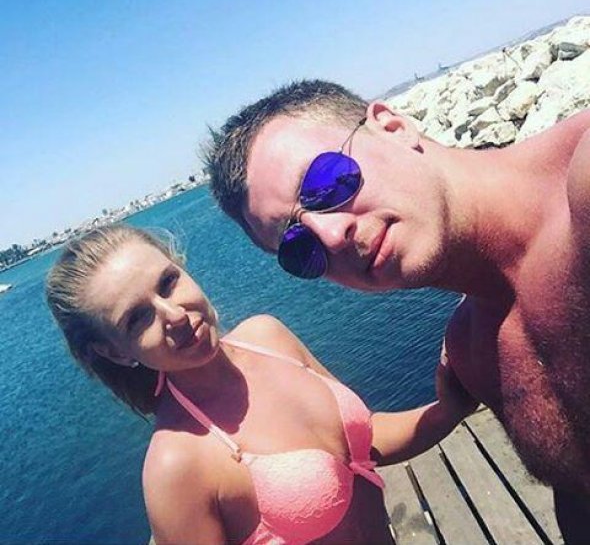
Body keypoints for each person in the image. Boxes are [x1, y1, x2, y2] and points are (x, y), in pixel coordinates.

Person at [206, 79, 590, 542]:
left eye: (326, 182)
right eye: (297, 245)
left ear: (392, 127)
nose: (331, 235)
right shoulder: (474, 352)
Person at [46, 224, 475, 544]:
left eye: (168, 282)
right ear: (115, 352)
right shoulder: (177, 466)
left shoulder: (267, 336)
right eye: (138, 318)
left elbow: (362, 444)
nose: (174, 315)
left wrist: (448, 409)